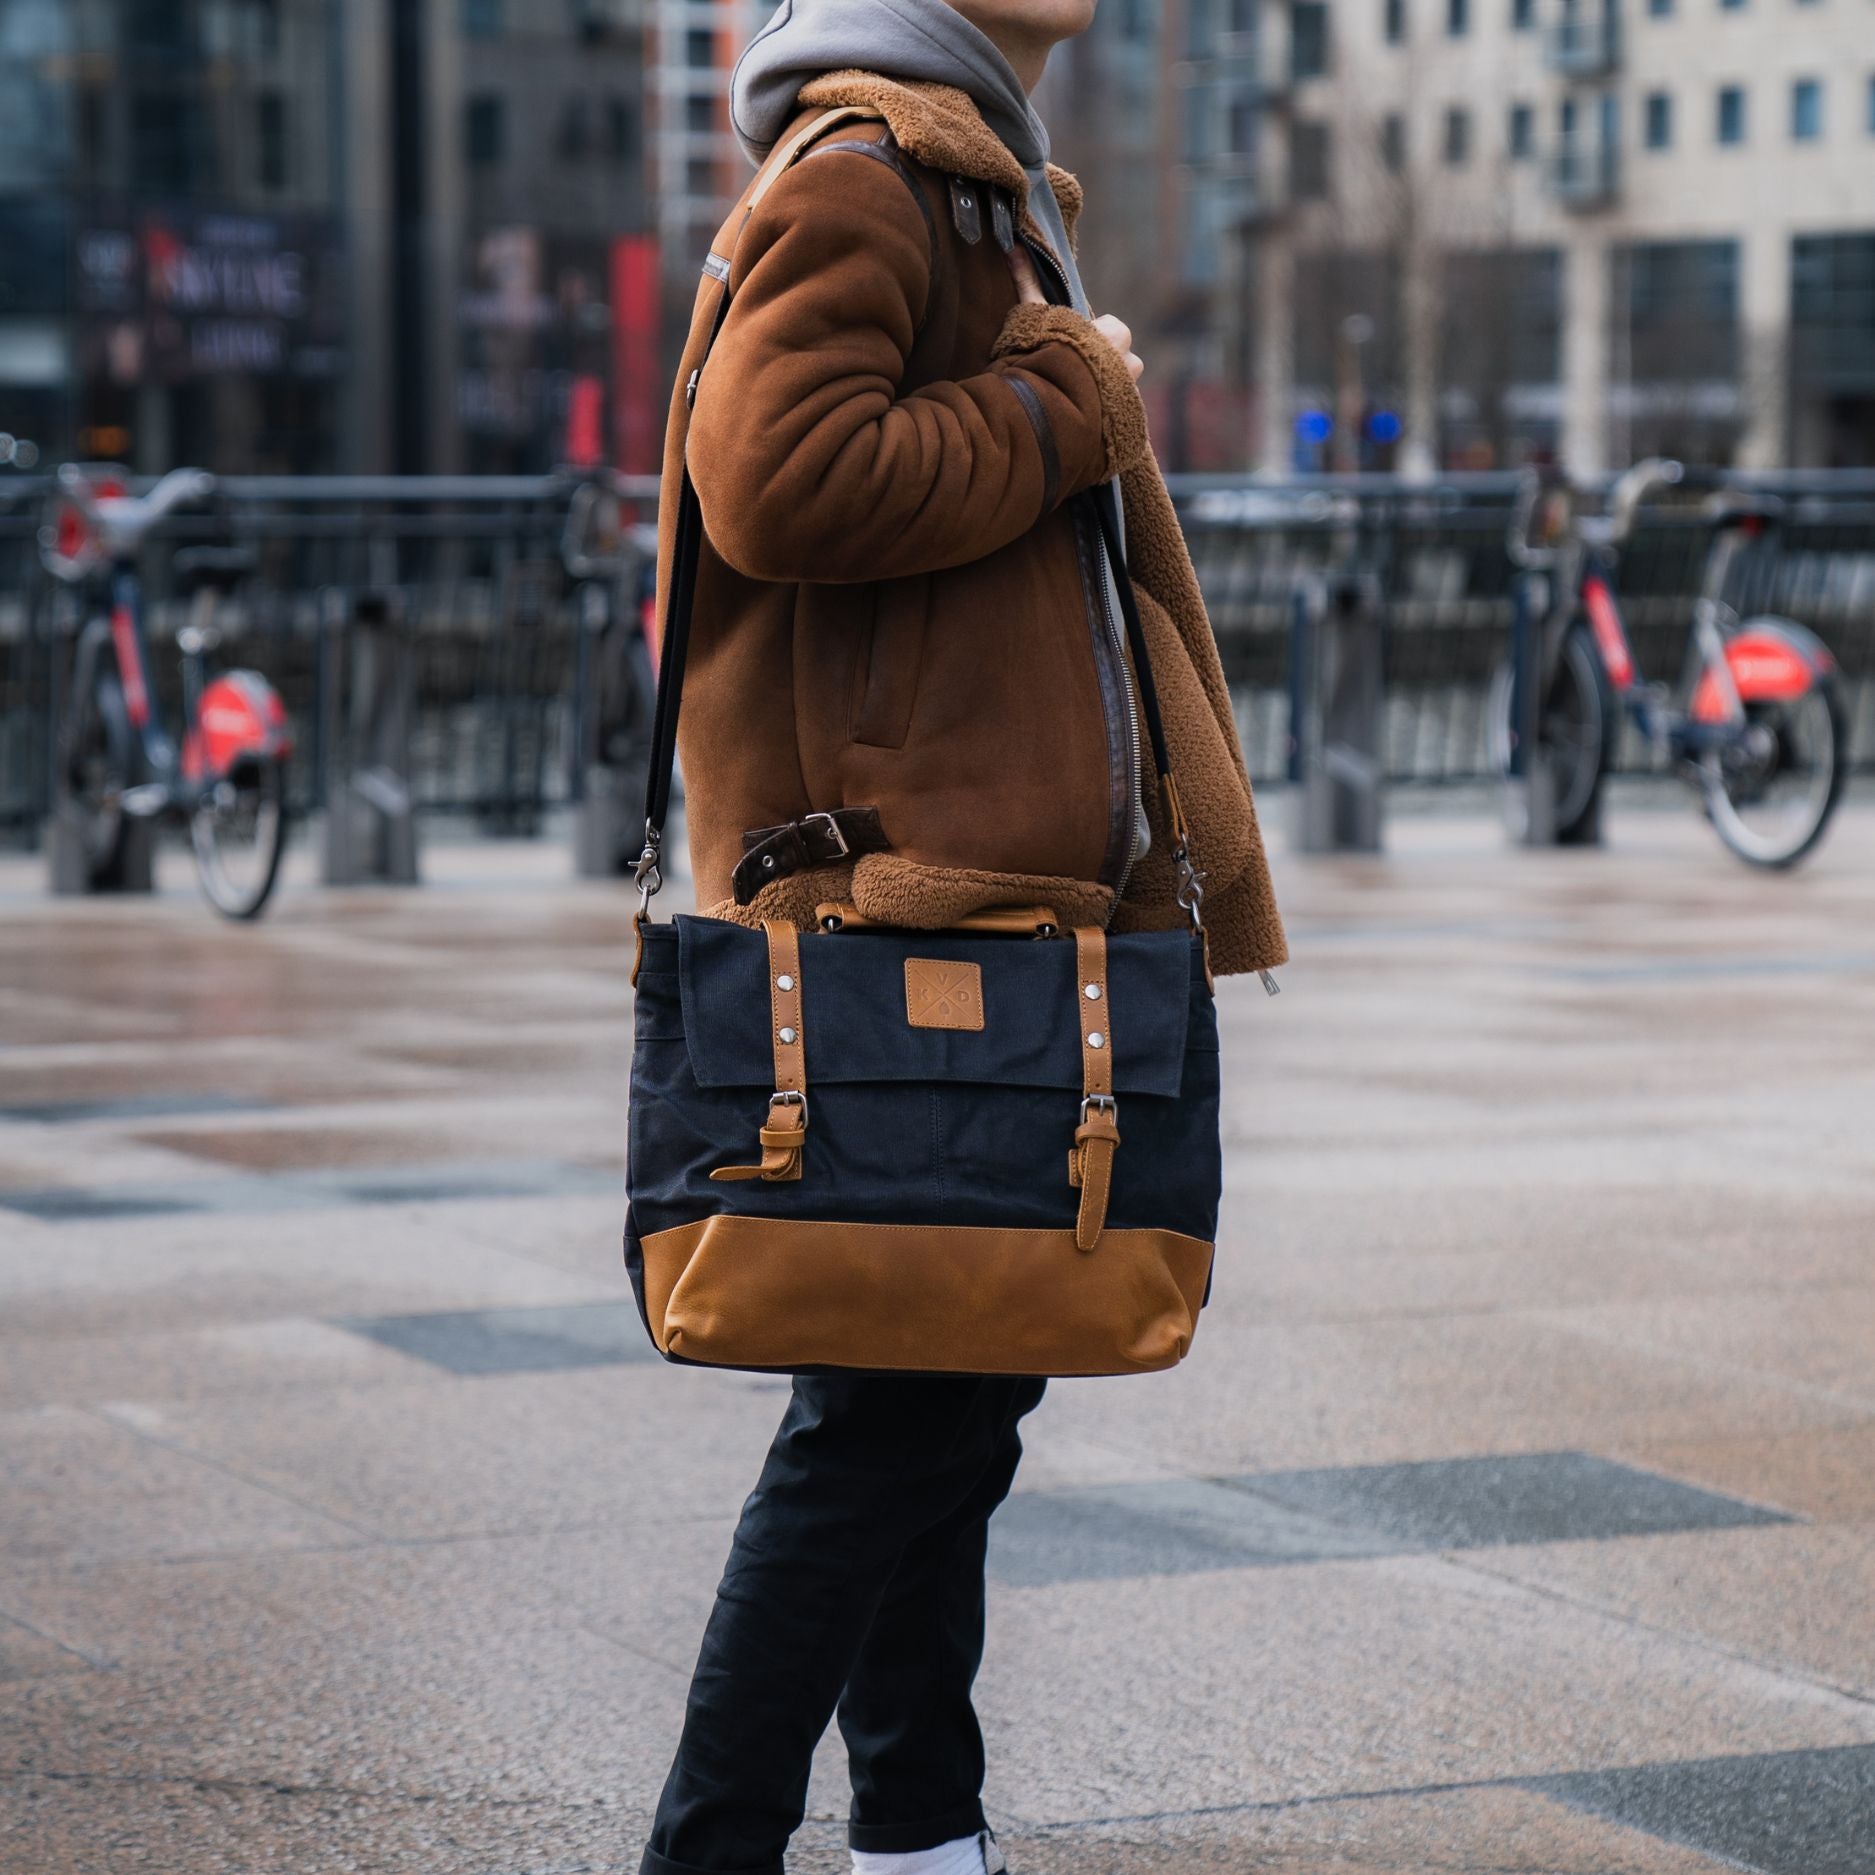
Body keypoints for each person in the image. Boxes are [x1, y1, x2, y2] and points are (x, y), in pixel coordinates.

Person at [638, 1, 1286, 1870]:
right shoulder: (867, 175)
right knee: (897, 1429)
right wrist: (1062, 403)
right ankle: (725, 1844)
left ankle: (923, 1827)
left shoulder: (960, 177)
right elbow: (778, 477)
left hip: (976, 902)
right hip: (905, 899)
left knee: (936, 1392)